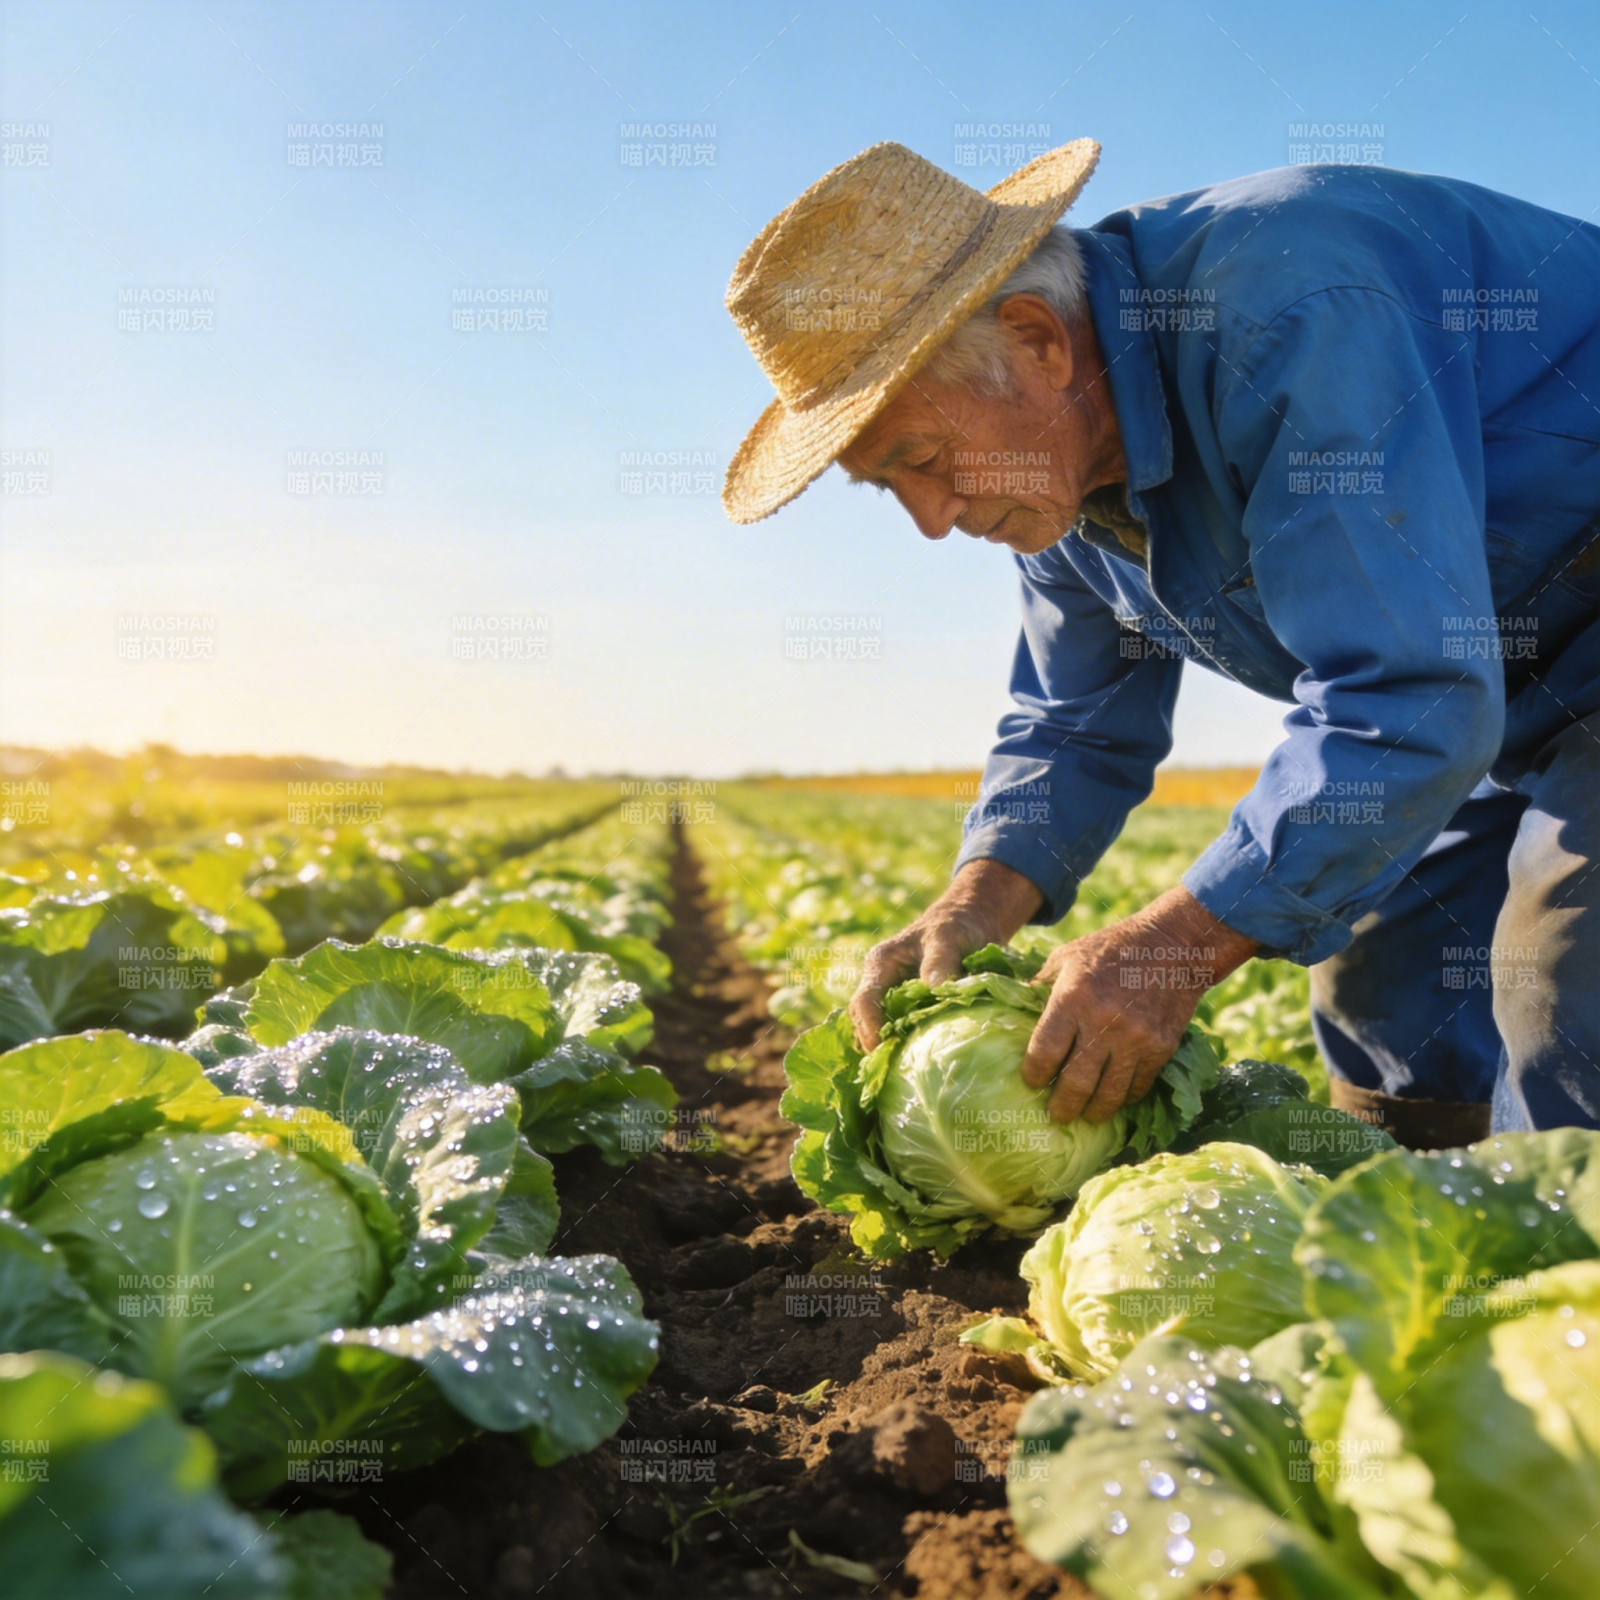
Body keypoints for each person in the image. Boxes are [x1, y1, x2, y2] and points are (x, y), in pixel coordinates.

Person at [720, 138, 1599, 1149]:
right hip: (1497, 668)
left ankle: (1567, 1271)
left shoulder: (1284, 309)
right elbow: (1075, 724)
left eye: (923, 458)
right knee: (1385, 974)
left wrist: (1170, 949)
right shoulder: (1055, 480)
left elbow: (1408, 693)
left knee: (1570, 963)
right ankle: (1443, 1258)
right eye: (888, 484)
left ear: (1036, 341)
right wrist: (978, 898)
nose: (930, 519)